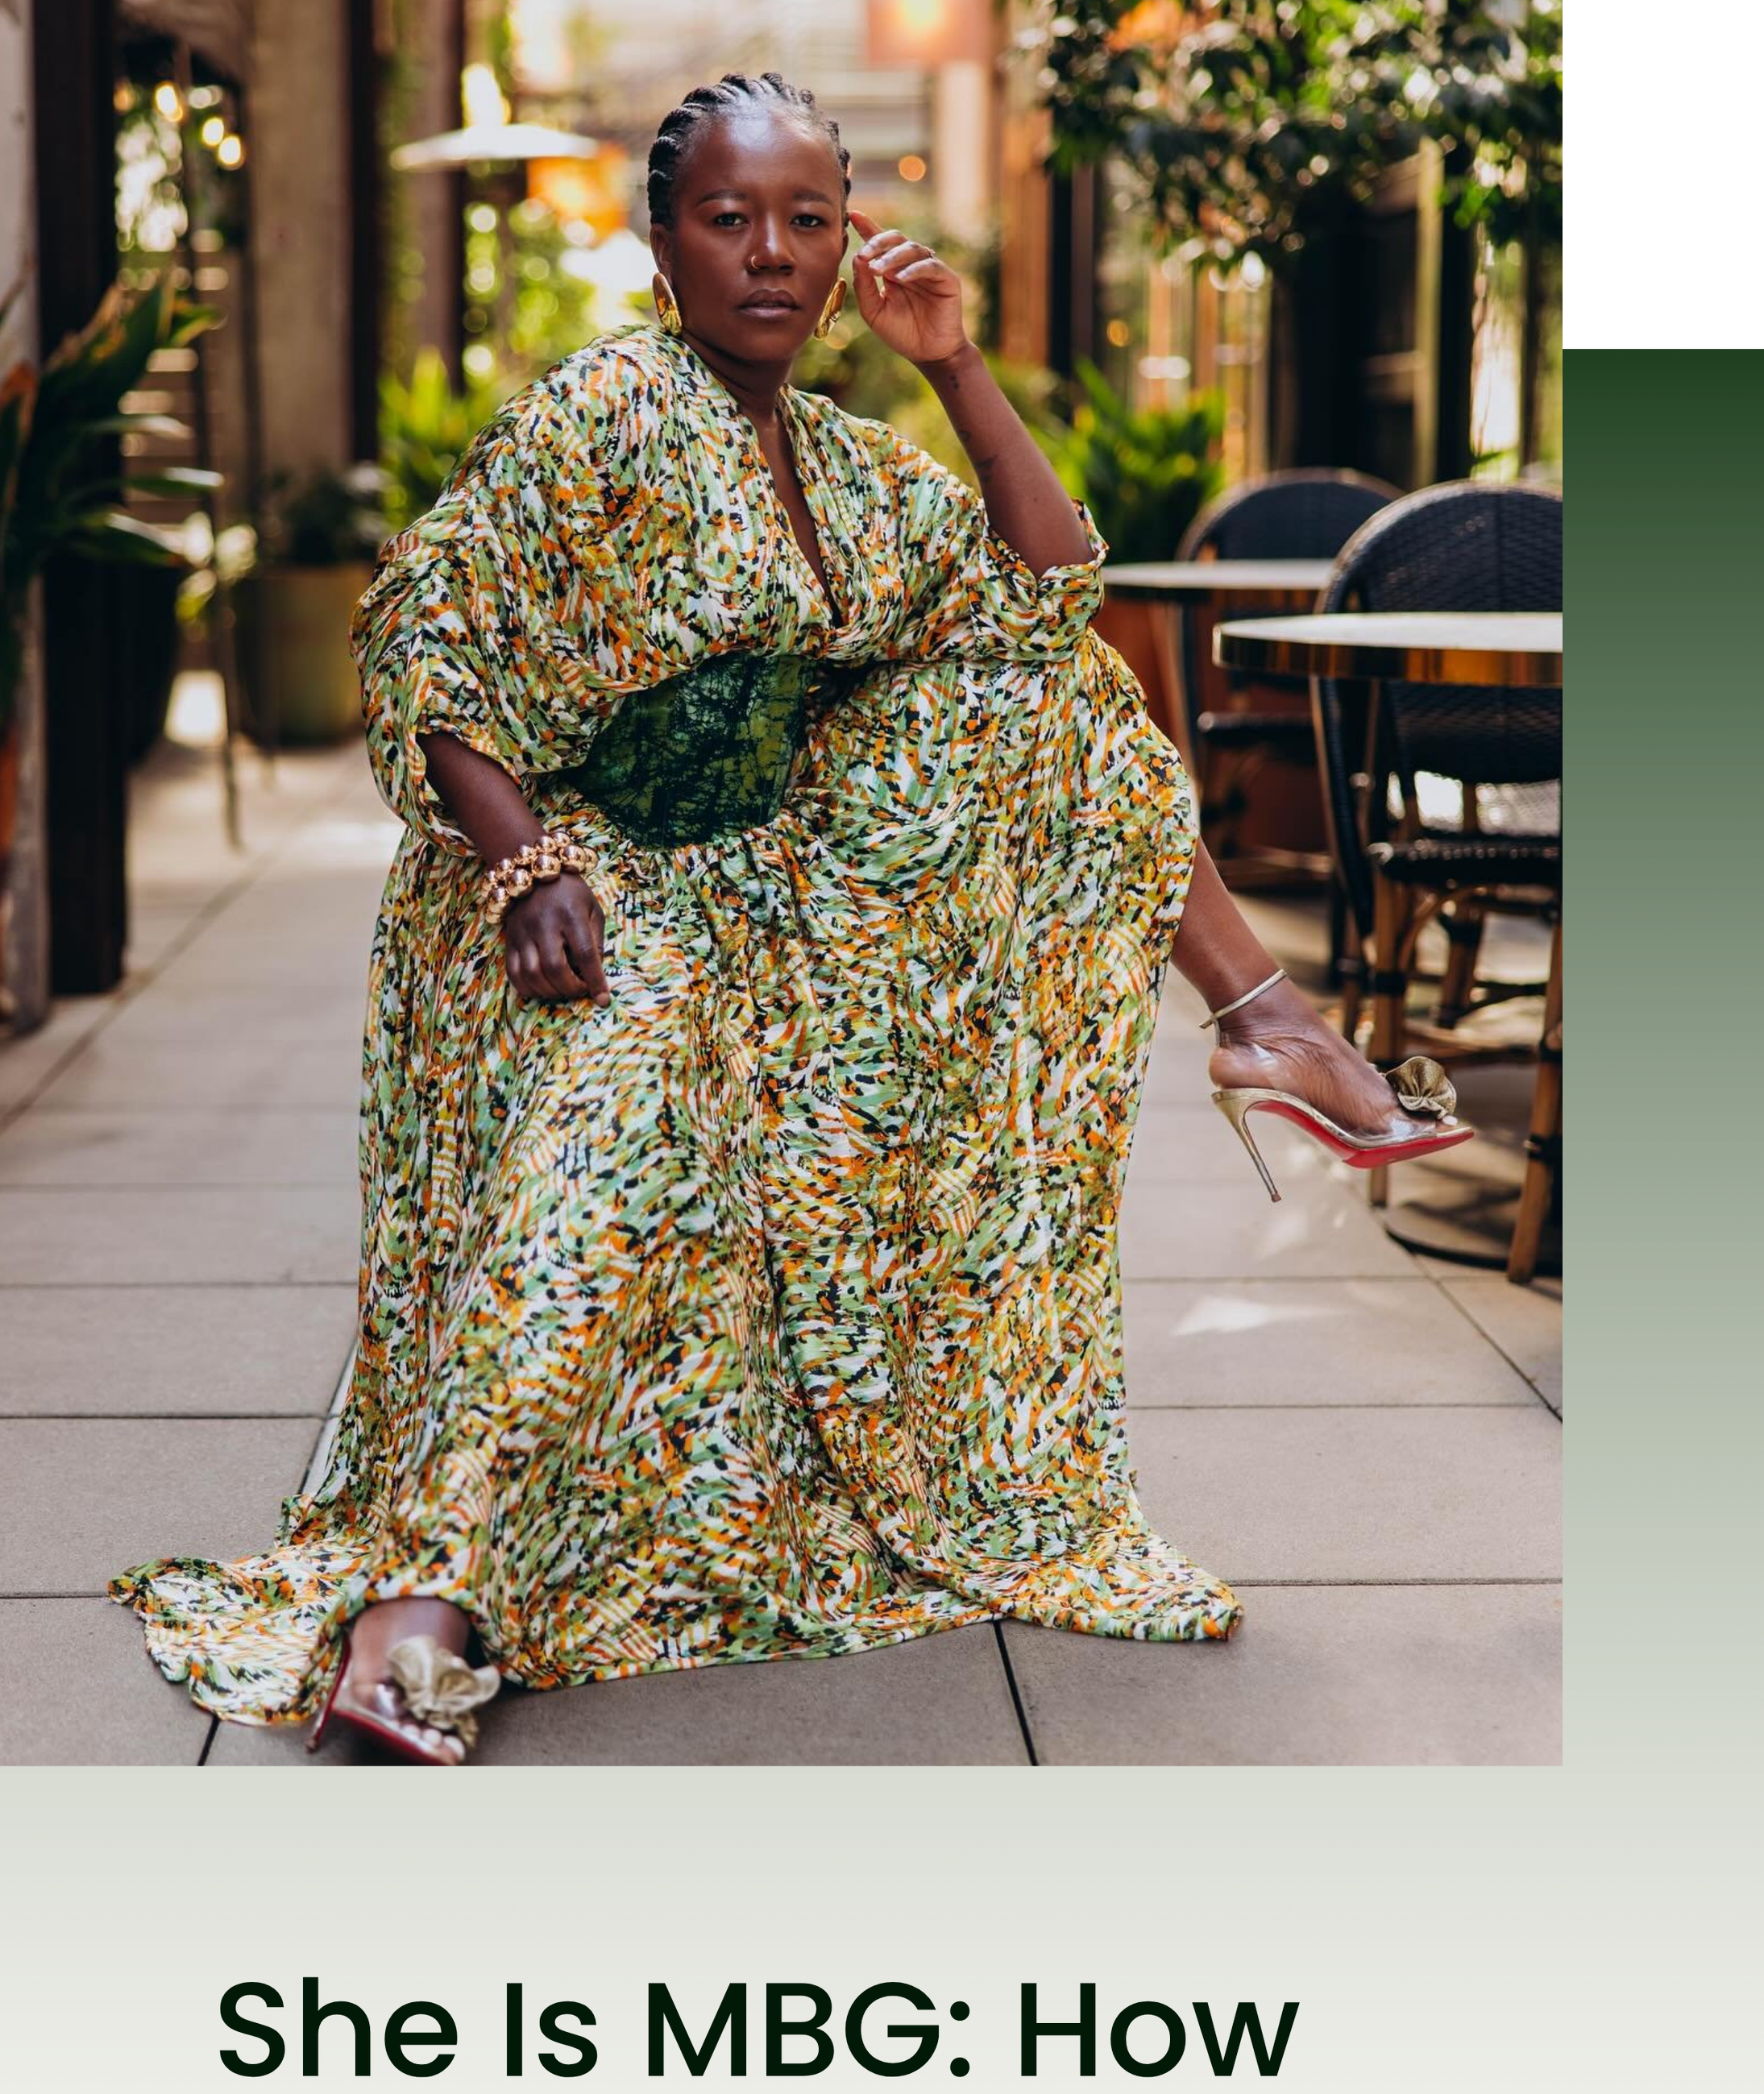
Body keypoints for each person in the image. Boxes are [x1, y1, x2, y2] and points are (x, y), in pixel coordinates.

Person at [110, 70, 1469, 1764]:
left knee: (1049, 701)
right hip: (580, 871)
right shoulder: (606, 407)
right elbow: (426, 641)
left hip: (779, 877)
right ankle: (416, 1613)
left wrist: (953, 365)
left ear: (847, 248)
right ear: (662, 246)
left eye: (806, 220)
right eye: (727, 218)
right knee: (615, 1129)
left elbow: (1050, 593)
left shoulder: (842, 456)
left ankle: (1265, 1021)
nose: (769, 252)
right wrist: (525, 865)